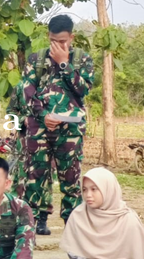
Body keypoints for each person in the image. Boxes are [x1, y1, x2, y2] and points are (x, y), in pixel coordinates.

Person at [7, 14, 94, 235]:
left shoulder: (82, 60)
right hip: (40, 126)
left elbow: (83, 90)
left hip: (71, 129)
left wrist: (64, 63)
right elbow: (27, 92)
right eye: (54, 40)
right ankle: (36, 221)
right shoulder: (36, 59)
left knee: (71, 178)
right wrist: (43, 114)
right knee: (35, 175)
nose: (58, 45)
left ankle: (72, 224)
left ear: (71, 37)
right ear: (49, 36)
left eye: (63, 41)